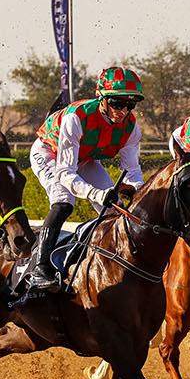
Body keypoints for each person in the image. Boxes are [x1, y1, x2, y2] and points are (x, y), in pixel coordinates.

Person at [26, 67, 147, 291]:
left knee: (114, 209)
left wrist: (136, 190)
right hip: (49, 153)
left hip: (85, 158)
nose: (124, 112)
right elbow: (65, 173)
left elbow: (134, 173)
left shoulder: (132, 128)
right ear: (101, 98)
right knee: (64, 201)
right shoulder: (76, 118)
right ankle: (39, 268)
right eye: (117, 103)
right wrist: (97, 193)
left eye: (130, 105)